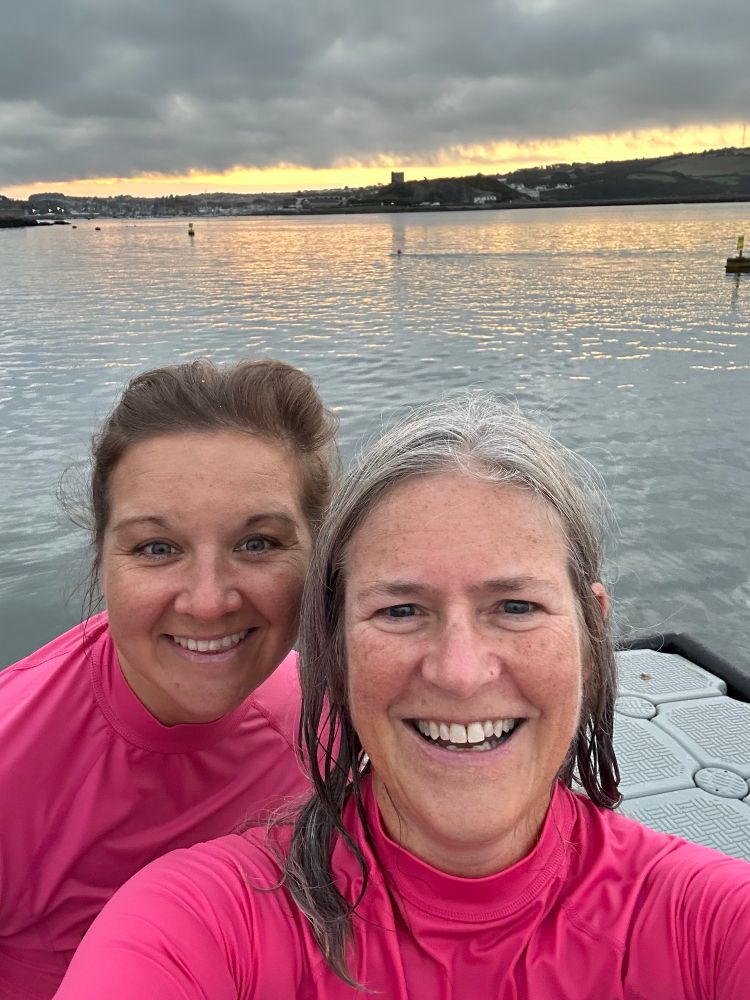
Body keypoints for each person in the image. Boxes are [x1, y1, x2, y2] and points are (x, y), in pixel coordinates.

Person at [55, 395, 750, 999]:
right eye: (400, 611)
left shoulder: (712, 923)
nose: (459, 673)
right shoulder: (195, 926)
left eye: (515, 606)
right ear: (334, 647)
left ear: (592, 636)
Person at [0, 358, 338, 999]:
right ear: (102, 559)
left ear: (318, 557)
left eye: (258, 544)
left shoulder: (335, 724)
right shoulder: (13, 760)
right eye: (157, 548)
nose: (208, 602)